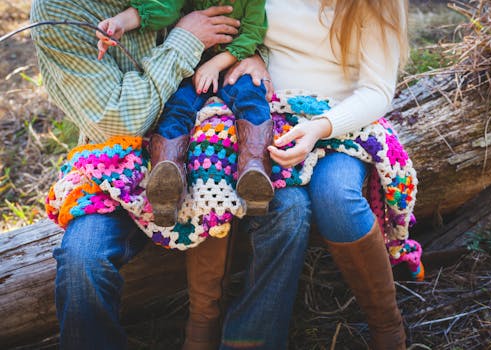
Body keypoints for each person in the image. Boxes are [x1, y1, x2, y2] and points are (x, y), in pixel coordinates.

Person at [30, 0, 310, 349]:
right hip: (119, 166)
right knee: (81, 260)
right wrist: (185, 38)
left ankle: (248, 341)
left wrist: (254, 56)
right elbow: (121, 121)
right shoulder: (62, 11)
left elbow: (253, 22)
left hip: (216, 142)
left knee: (291, 211)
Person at [223, 0, 410, 348]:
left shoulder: (376, 5)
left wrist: (321, 127)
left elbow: (377, 90)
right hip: (271, 116)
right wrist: (249, 55)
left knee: (336, 196)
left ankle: (388, 328)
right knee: (286, 206)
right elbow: (243, 24)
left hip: (341, 124)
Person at [96, 0, 273, 227]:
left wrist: (216, 65)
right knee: (177, 106)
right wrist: (120, 22)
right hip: (192, 66)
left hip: (233, 63)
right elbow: (163, 7)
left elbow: (252, 34)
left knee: (251, 98)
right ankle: (166, 179)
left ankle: (255, 169)